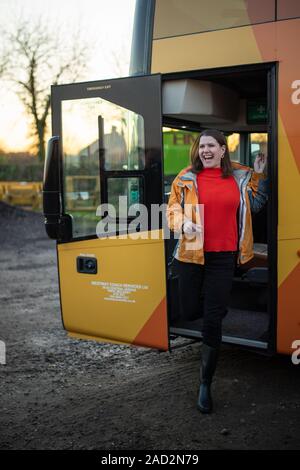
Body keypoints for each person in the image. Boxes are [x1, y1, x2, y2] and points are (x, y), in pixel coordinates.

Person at [166, 129, 268, 414]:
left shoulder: (239, 177)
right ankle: (216, 308)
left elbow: (256, 205)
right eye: (202, 146)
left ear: (223, 150)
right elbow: (172, 209)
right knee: (188, 312)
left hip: (223, 257)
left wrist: (260, 176)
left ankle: (205, 384)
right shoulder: (186, 178)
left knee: (212, 320)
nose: (206, 150)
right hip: (190, 255)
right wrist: (183, 224)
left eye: (212, 146)